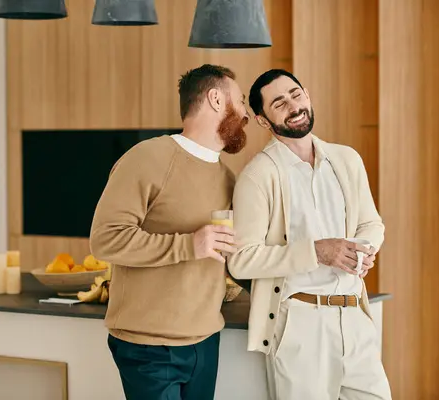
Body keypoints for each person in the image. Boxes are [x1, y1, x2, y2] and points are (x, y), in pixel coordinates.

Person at [227, 69, 392, 400]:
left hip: (356, 317)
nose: (293, 105)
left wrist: (364, 250)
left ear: (308, 95)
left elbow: (372, 224)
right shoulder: (258, 176)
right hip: (299, 325)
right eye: (279, 103)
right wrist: (317, 251)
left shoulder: (346, 159)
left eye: (295, 94)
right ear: (262, 120)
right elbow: (241, 261)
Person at [90, 64, 250, 400]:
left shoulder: (228, 178)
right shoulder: (147, 158)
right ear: (216, 99)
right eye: (242, 100)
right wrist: (190, 244)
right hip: (147, 345)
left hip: (206, 341)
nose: (246, 112)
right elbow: (105, 238)